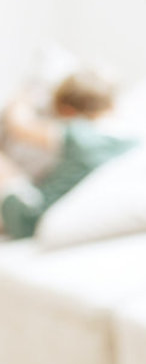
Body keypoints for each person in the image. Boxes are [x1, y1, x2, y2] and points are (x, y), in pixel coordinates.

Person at [0, 70, 136, 238]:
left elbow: (19, 125)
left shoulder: (77, 133)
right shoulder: (132, 141)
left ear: (67, 111)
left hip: (32, 219)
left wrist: (21, 98)